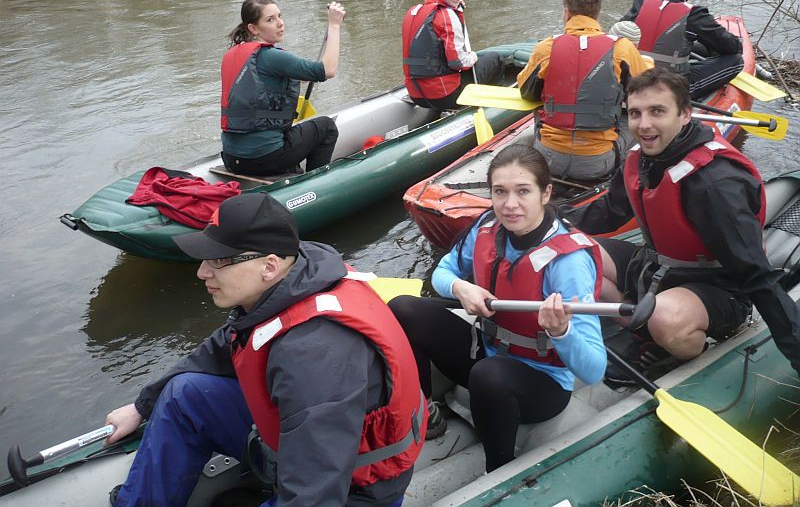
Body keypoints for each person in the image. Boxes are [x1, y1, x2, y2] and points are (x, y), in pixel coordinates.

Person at [105, 193, 426, 506]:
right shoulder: (290, 278)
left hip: (355, 491)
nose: (202, 272)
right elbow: (224, 345)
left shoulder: (314, 353)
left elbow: (316, 490)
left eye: (219, 260)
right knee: (185, 393)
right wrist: (143, 405)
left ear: (269, 266)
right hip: (307, 451)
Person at [560, 68, 800, 386]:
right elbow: (608, 211)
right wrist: (548, 219)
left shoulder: (715, 183)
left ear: (685, 114)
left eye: (657, 111)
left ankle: (679, 346)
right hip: (656, 267)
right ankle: (641, 324)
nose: (644, 125)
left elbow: (756, 276)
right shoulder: (641, 157)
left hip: (718, 290)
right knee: (568, 249)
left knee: (664, 318)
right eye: (635, 113)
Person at [389, 144, 606, 473]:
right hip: (490, 350)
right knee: (403, 308)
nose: (510, 204)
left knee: (489, 375)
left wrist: (562, 331)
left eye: (523, 191)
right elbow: (444, 272)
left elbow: (593, 371)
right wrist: (462, 286)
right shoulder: (487, 227)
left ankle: (499, 468)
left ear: (545, 193)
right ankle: (426, 411)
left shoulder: (569, 263)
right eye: (500, 192)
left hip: (543, 382)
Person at [517, 0, 650, 181]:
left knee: (542, 106)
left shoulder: (546, 47)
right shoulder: (622, 48)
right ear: (597, 13)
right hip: (599, 162)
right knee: (631, 115)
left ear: (566, 12)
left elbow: (527, 92)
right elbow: (645, 95)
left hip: (549, 157)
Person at [220, 0, 343, 177]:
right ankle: (315, 185)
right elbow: (328, 70)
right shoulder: (271, 56)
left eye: (279, 16)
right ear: (253, 28)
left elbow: (259, 87)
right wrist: (334, 25)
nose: (280, 23)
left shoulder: (232, 55)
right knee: (326, 127)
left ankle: (289, 169)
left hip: (231, 158)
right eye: (270, 20)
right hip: (264, 158)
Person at [620, 0, 744, 100]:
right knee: (736, 60)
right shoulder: (694, 14)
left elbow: (621, 34)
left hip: (634, 77)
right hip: (671, 85)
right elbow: (733, 47)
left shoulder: (640, 2)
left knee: (694, 46)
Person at [402, 0, 504, 113]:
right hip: (446, 96)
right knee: (496, 59)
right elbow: (458, 62)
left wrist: (456, 10)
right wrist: (473, 56)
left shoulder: (414, 12)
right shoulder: (447, 15)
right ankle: (495, 109)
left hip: (416, 94)